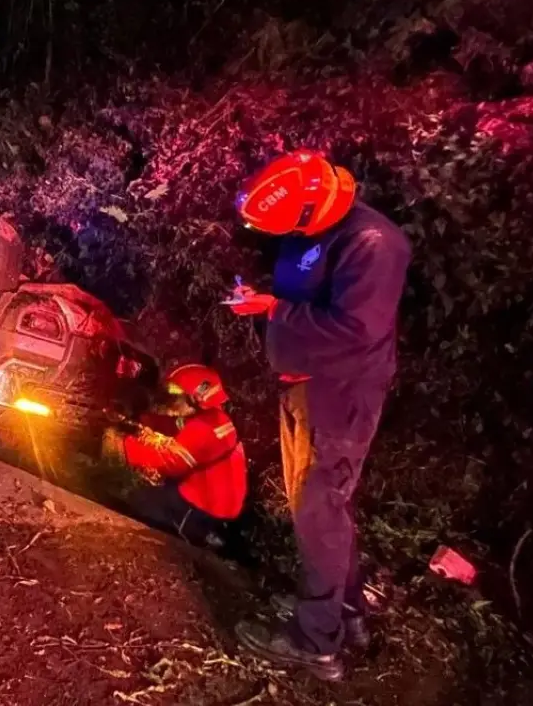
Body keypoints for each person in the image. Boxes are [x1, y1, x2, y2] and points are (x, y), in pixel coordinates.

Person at [225, 151, 411, 681]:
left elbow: (356, 329)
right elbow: (301, 291)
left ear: (313, 209)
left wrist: (276, 310)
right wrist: (266, 303)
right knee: (319, 507)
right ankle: (344, 611)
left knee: (318, 508)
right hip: (305, 387)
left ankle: (316, 642)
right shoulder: (310, 226)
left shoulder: (371, 244)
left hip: (339, 394)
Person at [106, 364, 248, 550]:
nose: (172, 399)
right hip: (210, 502)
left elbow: (170, 462)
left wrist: (124, 446)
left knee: (134, 500)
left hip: (201, 510)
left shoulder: (206, 429)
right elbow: (176, 427)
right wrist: (142, 420)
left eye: (177, 394)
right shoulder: (214, 419)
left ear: (197, 396)